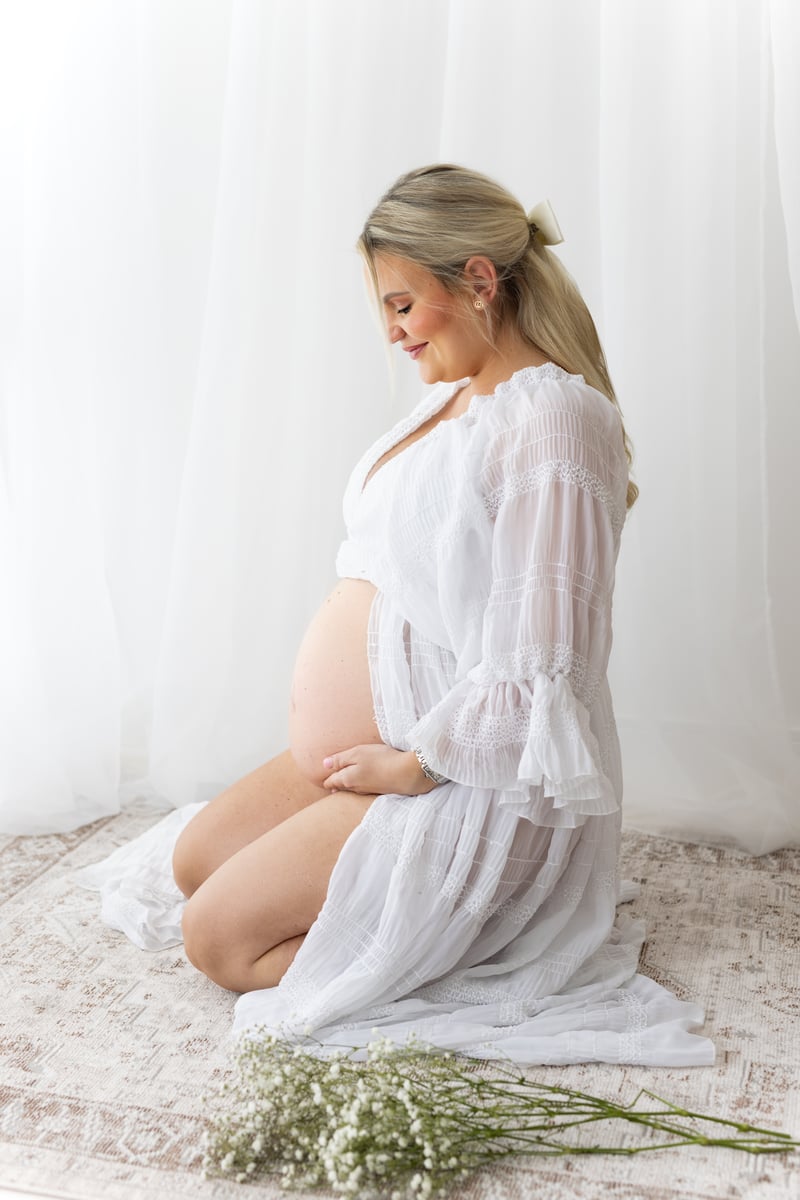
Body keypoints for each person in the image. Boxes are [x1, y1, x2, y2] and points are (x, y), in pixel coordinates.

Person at [80, 164, 713, 1066]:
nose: (393, 333)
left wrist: (416, 765)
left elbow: (549, 665)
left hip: (467, 777)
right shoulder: (454, 399)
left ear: (480, 281)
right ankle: (394, 908)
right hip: (384, 743)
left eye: (404, 304)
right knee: (191, 867)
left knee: (218, 940)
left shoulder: (555, 420)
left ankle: (462, 935)